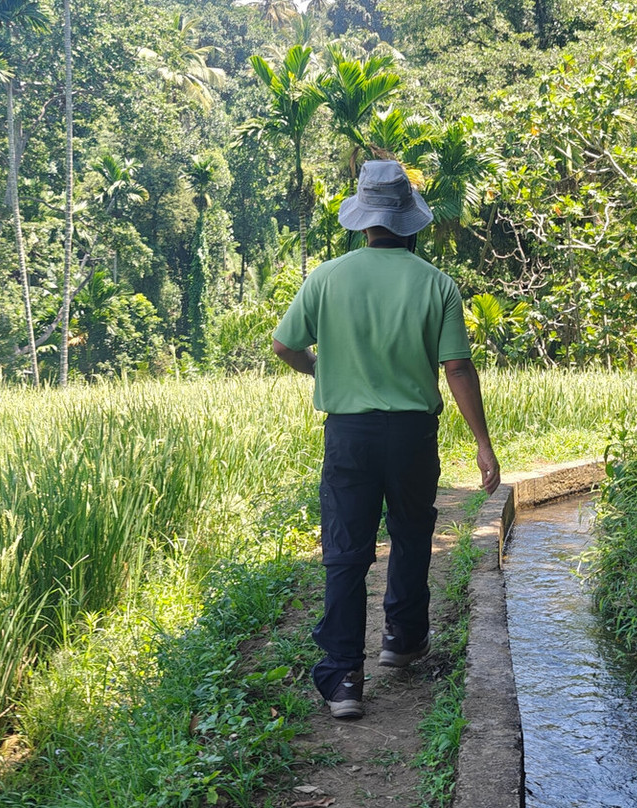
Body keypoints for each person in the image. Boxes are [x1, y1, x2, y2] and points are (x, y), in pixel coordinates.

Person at [272, 159, 500, 720]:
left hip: (348, 434)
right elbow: (457, 368)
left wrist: (319, 370)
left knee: (345, 552)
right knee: (411, 531)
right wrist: (483, 444)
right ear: (411, 221)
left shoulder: (326, 277)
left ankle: (345, 680)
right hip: (412, 435)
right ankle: (402, 639)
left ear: (363, 219)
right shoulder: (436, 284)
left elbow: (284, 346)